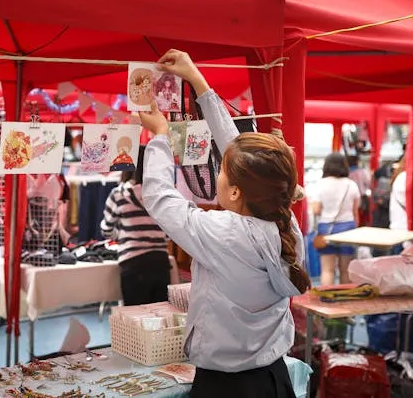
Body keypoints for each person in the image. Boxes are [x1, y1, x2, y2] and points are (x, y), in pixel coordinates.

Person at [138, 49, 305, 397]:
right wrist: (197, 81)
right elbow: (239, 151)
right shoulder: (284, 224)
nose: (219, 173)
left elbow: (159, 197)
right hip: (273, 380)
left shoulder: (223, 234)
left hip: (226, 388)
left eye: (222, 171)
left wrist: (159, 137)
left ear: (235, 193)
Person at [100, 146, 170, 306]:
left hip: (133, 263)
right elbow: (168, 233)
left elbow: (106, 230)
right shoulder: (162, 194)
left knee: (134, 323)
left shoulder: (119, 194)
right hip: (160, 261)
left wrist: (123, 234)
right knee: (159, 321)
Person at [310, 153, 361, 285]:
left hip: (326, 228)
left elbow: (316, 210)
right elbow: (356, 212)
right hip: (347, 228)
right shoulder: (351, 185)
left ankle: (327, 301)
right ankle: (345, 301)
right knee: (345, 270)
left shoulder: (320, 184)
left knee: (327, 270)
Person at [348, 155, 371, 225]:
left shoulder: (346, 173)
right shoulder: (363, 172)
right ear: (357, 162)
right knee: (361, 218)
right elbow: (368, 183)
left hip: (349, 198)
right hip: (361, 197)